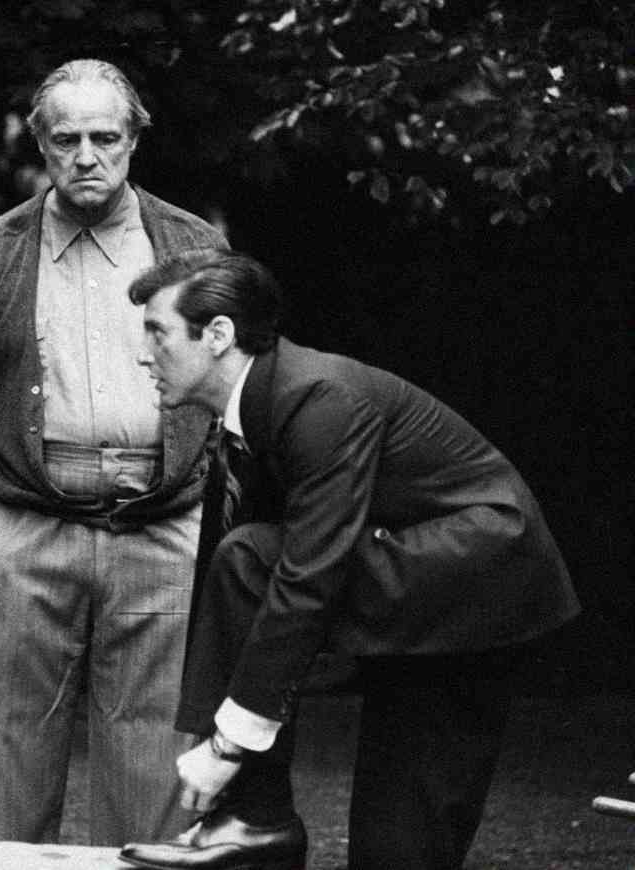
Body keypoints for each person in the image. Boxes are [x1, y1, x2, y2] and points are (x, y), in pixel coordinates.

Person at [119, 251, 581, 870]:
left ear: (219, 335)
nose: (144, 354)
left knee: (402, 846)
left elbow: (309, 576)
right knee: (389, 839)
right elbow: (231, 583)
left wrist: (227, 745)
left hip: (474, 581)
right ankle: (254, 819)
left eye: (157, 331)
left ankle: (258, 818)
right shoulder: (252, 408)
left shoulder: (318, 399)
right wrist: (214, 731)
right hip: (412, 581)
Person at [0, 59, 227, 845]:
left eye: (105, 137)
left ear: (134, 142)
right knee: (12, 742)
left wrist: (212, 513)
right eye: (67, 139)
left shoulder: (194, 247)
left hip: (164, 526)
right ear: (41, 147)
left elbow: (240, 391)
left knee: (157, 753)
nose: (87, 156)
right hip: (24, 528)